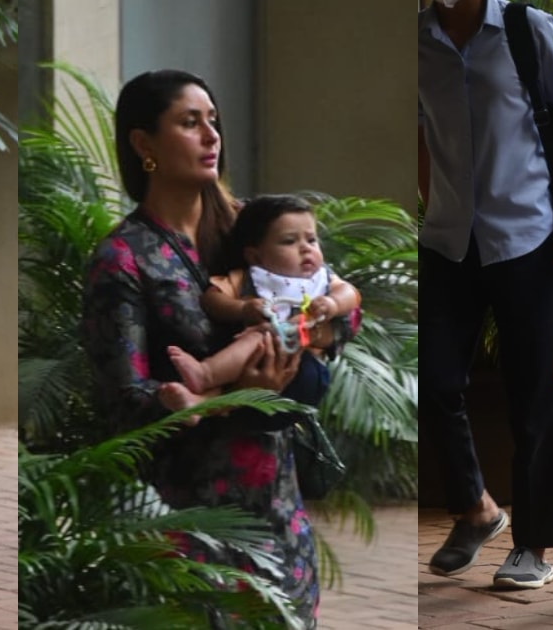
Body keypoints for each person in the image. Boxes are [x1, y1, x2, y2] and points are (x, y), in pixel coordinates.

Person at [82, 69, 356, 628]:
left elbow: (343, 312)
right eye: (190, 122)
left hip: (277, 508)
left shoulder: (255, 226)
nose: (212, 136)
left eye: (214, 122)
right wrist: (235, 395)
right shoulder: (123, 257)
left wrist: (307, 332)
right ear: (144, 144)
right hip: (188, 515)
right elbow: (124, 403)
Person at [417, 0, 553, 589]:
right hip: (448, 239)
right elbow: (422, 129)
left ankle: (533, 544)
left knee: (533, 392)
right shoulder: (416, 40)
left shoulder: (524, 28)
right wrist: (431, 199)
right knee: (434, 378)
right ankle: (477, 508)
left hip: (528, 235)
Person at [167, 193, 360, 406]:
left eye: (311, 239)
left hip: (298, 364)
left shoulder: (320, 278)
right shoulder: (249, 278)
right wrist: (242, 308)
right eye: (289, 241)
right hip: (256, 359)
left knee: (265, 338)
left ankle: (203, 391)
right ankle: (204, 379)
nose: (306, 248)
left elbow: (350, 293)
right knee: (257, 337)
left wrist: (333, 303)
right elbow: (211, 299)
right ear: (256, 257)